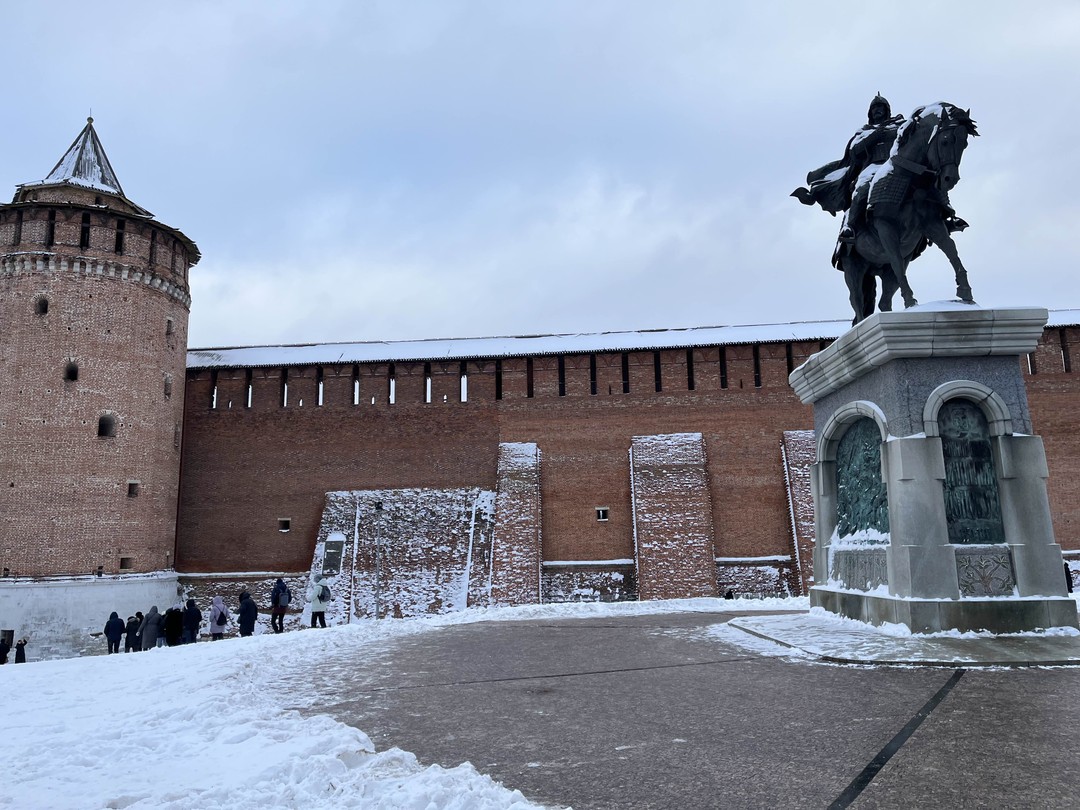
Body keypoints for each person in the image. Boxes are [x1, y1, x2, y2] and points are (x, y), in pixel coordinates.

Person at [792, 94, 905, 241]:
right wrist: (875, 136)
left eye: (880, 107)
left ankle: (941, 213)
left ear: (887, 109)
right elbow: (854, 151)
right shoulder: (864, 131)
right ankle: (849, 227)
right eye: (874, 108)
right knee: (861, 189)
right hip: (873, 168)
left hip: (896, 165)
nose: (877, 110)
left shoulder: (898, 125)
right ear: (870, 113)